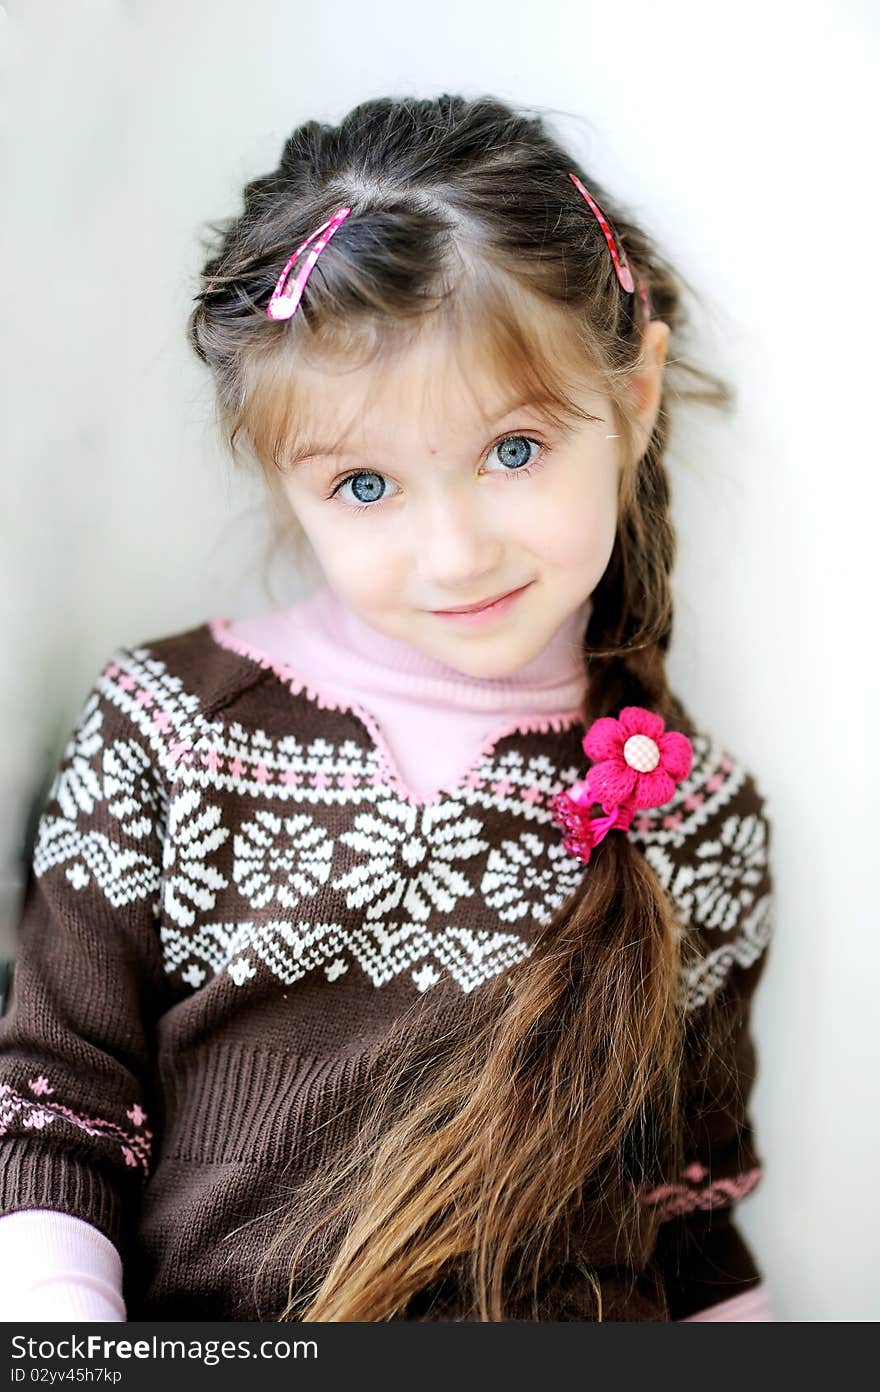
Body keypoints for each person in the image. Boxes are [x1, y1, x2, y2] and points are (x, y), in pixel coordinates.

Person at [0, 94, 775, 1322]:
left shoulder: (700, 819)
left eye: (513, 450)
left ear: (631, 398)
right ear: (281, 475)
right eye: (365, 483)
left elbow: (688, 1224)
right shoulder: (169, 725)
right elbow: (60, 1106)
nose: (454, 552)